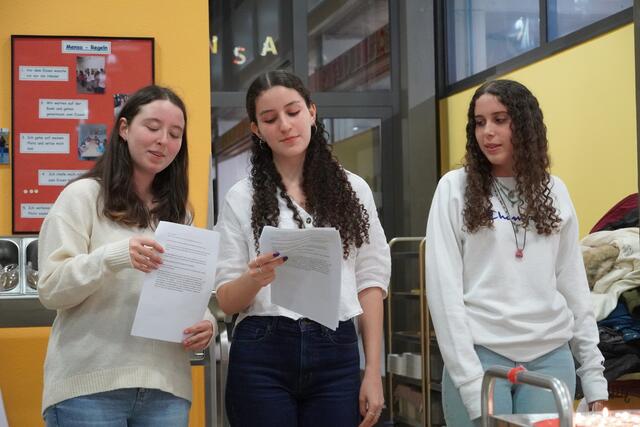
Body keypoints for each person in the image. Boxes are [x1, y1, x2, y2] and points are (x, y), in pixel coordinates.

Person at [425, 79, 608, 426]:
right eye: (479, 123)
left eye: (500, 120)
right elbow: (443, 292)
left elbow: (573, 285)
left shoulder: (554, 190)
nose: (488, 132)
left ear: (524, 125)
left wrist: (594, 375)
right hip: (480, 357)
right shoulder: (454, 188)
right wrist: (470, 383)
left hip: (550, 356)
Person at [215, 70, 391, 427]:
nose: (285, 125)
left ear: (311, 112)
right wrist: (254, 278)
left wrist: (373, 370)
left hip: (336, 348)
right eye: (270, 119)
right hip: (262, 350)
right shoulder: (241, 197)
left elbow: (371, 280)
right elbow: (227, 301)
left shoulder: (353, 190)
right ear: (256, 130)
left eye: (293, 112)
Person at [38, 85, 215, 427]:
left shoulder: (179, 214)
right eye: (152, 127)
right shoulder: (82, 196)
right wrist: (114, 257)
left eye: (175, 134)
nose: (163, 141)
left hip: (165, 389)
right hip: (89, 389)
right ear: (124, 128)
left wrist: (205, 322)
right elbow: (51, 288)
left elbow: (185, 289)